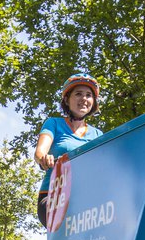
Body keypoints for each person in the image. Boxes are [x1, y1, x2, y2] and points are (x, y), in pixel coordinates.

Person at [34, 73, 103, 227]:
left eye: (88, 95)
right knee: (71, 223)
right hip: (53, 196)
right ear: (67, 99)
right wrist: (44, 158)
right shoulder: (54, 123)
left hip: (85, 198)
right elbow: (40, 152)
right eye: (78, 94)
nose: (84, 99)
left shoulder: (98, 134)